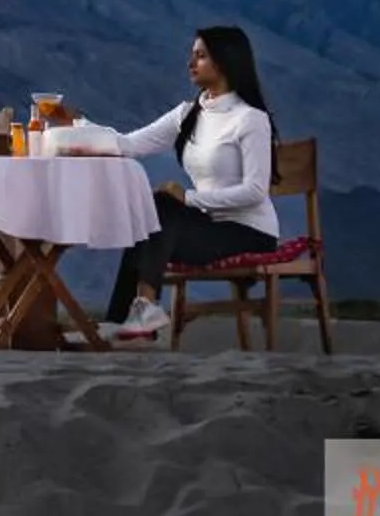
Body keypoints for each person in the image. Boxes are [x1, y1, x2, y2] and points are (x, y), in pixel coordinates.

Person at [103, 25, 281, 340]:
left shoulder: (250, 119)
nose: (191, 63)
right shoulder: (188, 114)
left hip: (249, 232)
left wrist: (188, 199)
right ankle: (126, 319)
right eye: (192, 55)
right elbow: (128, 145)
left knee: (163, 206)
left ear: (224, 62)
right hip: (207, 226)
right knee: (154, 208)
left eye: (200, 56)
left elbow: (255, 192)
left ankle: (141, 312)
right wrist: (75, 129)